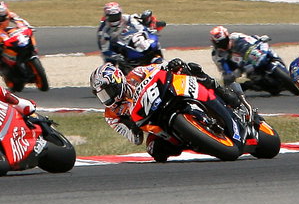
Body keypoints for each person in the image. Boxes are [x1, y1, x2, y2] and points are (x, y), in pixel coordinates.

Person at [92, 58, 240, 162]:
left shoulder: (136, 74)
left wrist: (171, 65)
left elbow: (158, 68)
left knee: (189, 69)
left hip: (165, 97)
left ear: (118, 80)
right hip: (154, 123)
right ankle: (189, 139)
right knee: (154, 150)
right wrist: (132, 127)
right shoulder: (111, 115)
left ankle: (223, 92)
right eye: (102, 96)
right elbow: (135, 139)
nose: (108, 98)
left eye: (108, 91)